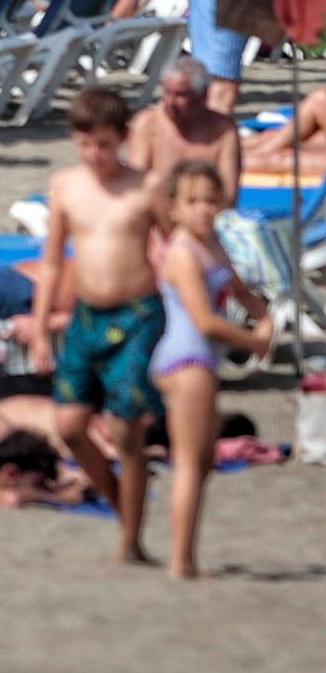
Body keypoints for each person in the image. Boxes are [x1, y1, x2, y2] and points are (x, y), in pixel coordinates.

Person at [31, 88, 162, 564]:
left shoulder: (145, 187)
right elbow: (50, 263)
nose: (95, 155)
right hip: (87, 315)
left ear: (122, 139)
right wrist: (42, 328)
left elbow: (175, 248)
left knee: (126, 432)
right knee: (68, 426)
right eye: (85, 144)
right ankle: (123, 510)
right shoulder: (66, 185)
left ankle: (130, 539)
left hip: (138, 314)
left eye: (104, 145)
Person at [151, 160, 275, 579]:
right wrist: (254, 340)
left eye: (210, 199)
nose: (203, 209)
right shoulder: (183, 253)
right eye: (193, 201)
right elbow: (204, 319)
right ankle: (181, 561)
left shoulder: (213, 242)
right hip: (186, 359)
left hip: (203, 359)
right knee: (189, 463)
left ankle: (186, 556)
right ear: (174, 208)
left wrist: (264, 317)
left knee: (202, 461)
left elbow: (237, 288)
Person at [124, 58, 240, 210]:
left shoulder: (223, 130)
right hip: (156, 215)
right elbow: (136, 186)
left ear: (203, 96)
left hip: (204, 216)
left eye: (181, 95)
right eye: (167, 93)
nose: (170, 102)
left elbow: (228, 195)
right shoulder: (147, 124)